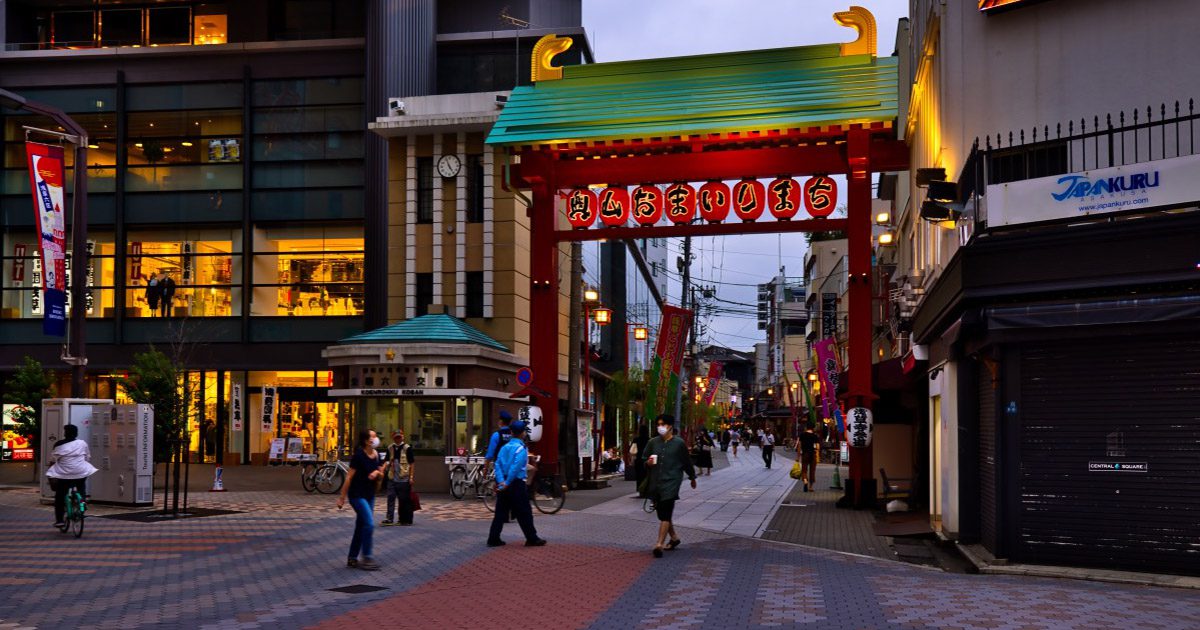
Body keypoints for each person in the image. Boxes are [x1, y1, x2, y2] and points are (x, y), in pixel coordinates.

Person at [642, 414, 697, 558]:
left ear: (670, 426)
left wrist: (692, 477)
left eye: (663, 424)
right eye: (658, 424)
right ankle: (674, 538)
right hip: (656, 482)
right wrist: (647, 462)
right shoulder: (653, 442)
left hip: (672, 481)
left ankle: (659, 544)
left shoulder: (679, 443)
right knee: (662, 513)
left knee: (666, 511)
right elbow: (644, 458)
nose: (660, 427)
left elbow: (686, 462)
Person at [486, 420, 547, 548]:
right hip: (516, 483)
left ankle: (493, 538)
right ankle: (532, 538)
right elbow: (516, 467)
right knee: (525, 512)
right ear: (523, 433)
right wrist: (508, 482)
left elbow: (497, 464)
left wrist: (501, 481)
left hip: (503, 482)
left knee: (500, 512)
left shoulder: (504, 447)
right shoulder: (521, 449)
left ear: (511, 432)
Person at [337, 428, 385, 570]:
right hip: (357, 495)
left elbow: (381, 475)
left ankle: (352, 558)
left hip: (370, 495)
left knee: (361, 525)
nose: (376, 439)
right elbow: (349, 477)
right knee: (369, 524)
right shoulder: (358, 456)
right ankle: (367, 557)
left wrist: (377, 473)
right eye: (373, 436)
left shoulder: (376, 455)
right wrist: (342, 497)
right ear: (366, 441)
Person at [46, 424, 98, 528]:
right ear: (76, 433)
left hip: (64, 474)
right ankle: (82, 502)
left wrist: (51, 470)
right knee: (81, 487)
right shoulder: (82, 443)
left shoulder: (59, 444)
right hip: (81, 471)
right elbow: (87, 457)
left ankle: (60, 520)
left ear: (65, 433)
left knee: (60, 496)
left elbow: (53, 460)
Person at [382, 429, 415, 526]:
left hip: (403, 478)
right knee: (390, 498)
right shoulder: (390, 448)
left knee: (403, 499)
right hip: (392, 477)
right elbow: (386, 460)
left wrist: (411, 477)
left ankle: (403, 519)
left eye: (399, 437)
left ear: (402, 437)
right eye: (396, 437)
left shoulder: (407, 448)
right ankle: (389, 518)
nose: (398, 439)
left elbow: (412, 463)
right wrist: (383, 468)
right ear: (393, 438)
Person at [798, 424, 820, 491]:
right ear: (813, 428)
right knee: (812, 470)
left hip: (805, 454)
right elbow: (817, 447)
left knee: (804, 469)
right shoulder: (815, 436)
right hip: (813, 454)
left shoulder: (802, 435)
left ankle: (805, 481)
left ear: (806, 428)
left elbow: (799, 446)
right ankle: (810, 487)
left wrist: (798, 456)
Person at [632, 421, 650, 489]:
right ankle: (646, 488)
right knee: (646, 475)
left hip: (638, 459)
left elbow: (632, 451)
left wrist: (632, 460)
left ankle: (640, 488)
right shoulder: (650, 440)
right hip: (647, 460)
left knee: (639, 475)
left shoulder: (636, 440)